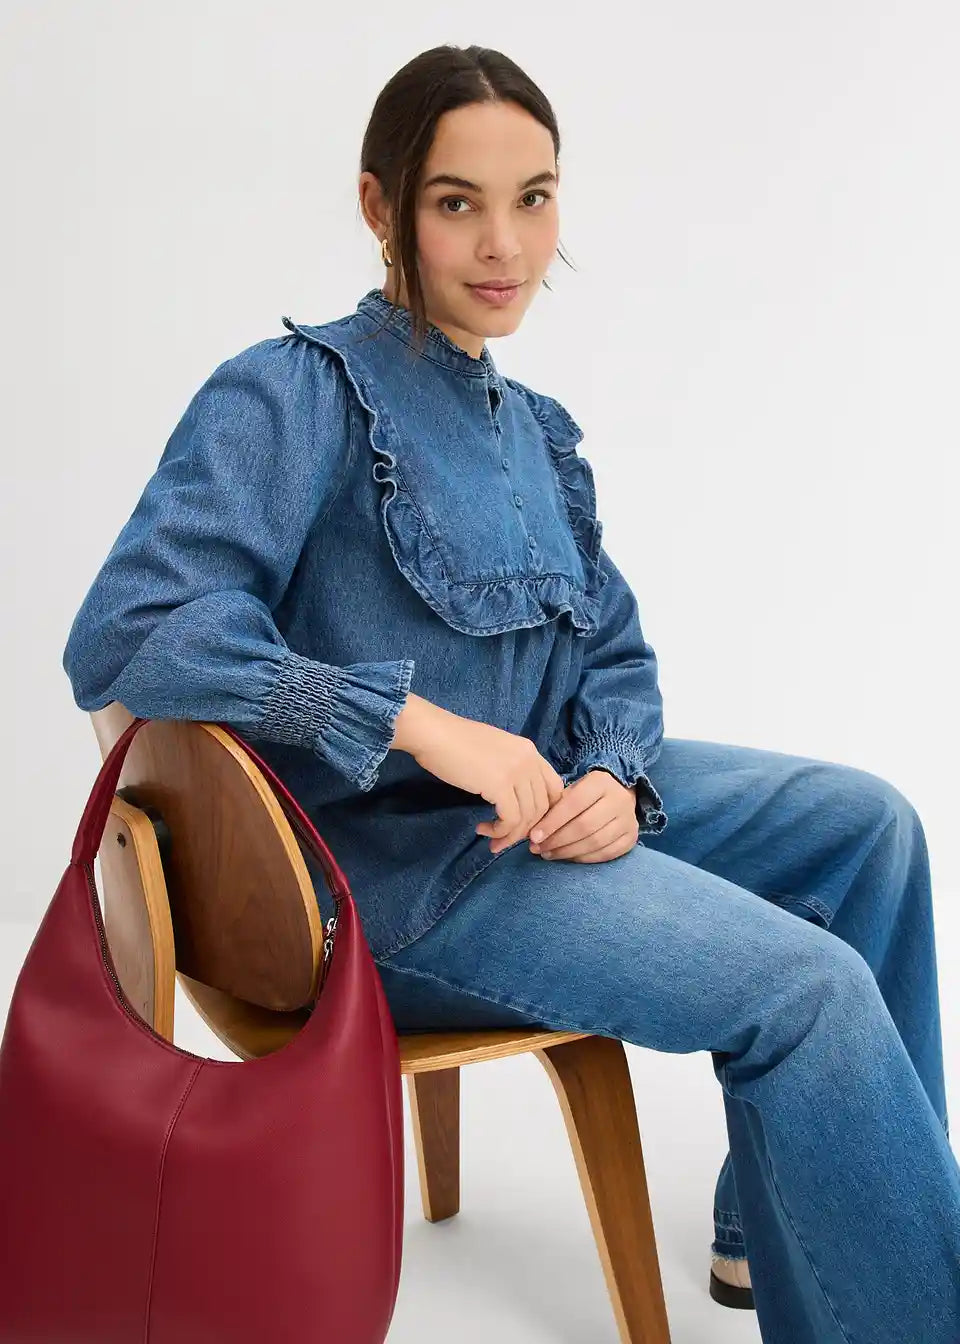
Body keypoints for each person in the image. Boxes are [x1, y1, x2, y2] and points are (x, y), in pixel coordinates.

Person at [61, 43, 959, 1344]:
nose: (506, 245)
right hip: (384, 878)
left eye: (533, 199)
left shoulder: (531, 430)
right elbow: (131, 629)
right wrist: (412, 722)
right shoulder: (294, 394)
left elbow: (618, 656)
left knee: (868, 829)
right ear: (380, 206)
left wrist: (615, 774)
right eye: (457, 202)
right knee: (806, 989)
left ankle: (785, 1235)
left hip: (539, 812)